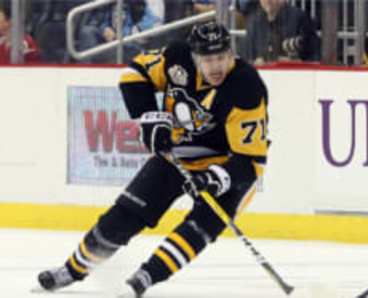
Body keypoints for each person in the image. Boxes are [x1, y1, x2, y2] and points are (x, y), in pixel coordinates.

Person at [37, 21, 269, 298]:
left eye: (221, 57)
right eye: (208, 59)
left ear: (231, 54)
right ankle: (72, 270)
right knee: (126, 214)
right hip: (178, 154)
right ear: (195, 57)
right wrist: (149, 117)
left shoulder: (246, 85)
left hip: (230, 165)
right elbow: (133, 75)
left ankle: (145, 278)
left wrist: (213, 178)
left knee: (198, 228)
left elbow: (250, 159)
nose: (216, 66)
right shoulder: (177, 58)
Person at [245, 0, 320, 65]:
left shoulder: (299, 18)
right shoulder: (253, 23)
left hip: (294, 76)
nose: (267, 0)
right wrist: (255, 62)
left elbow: (315, 56)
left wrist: (295, 63)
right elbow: (246, 58)